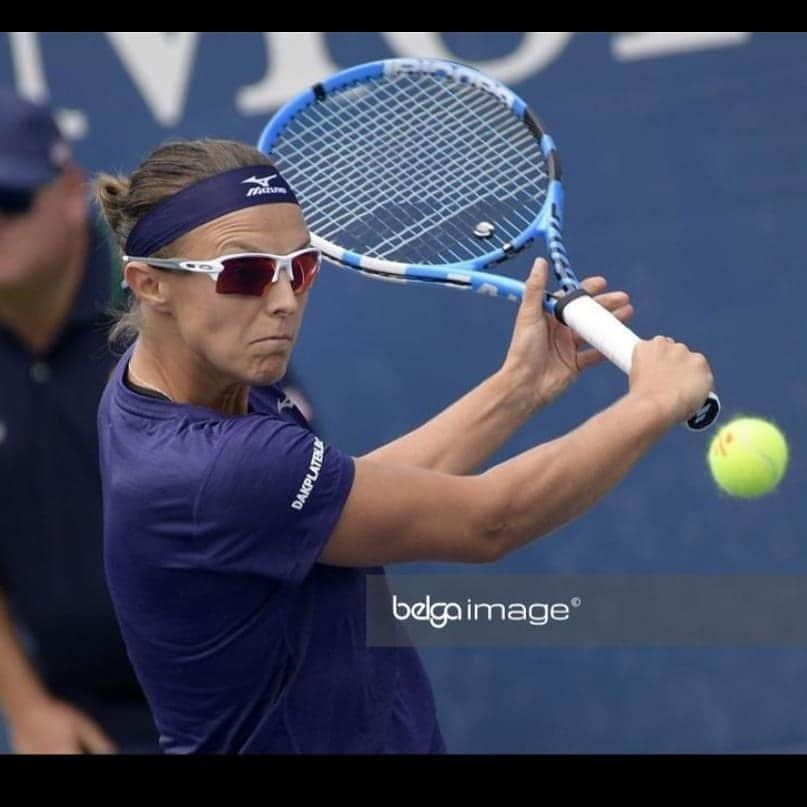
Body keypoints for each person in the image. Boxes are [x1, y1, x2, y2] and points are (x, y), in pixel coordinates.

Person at [95, 138, 713, 754]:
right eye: (246, 273)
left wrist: (518, 388)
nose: (283, 300)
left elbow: (343, 500)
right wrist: (651, 405)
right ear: (149, 285)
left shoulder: (166, 385)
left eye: (301, 266)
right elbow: (490, 522)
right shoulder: (218, 467)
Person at [0, 90, 158, 753]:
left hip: (231, 708)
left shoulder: (160, 315)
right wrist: (27, 706)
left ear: (71, 192)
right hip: (84, 725)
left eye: (9, 202)